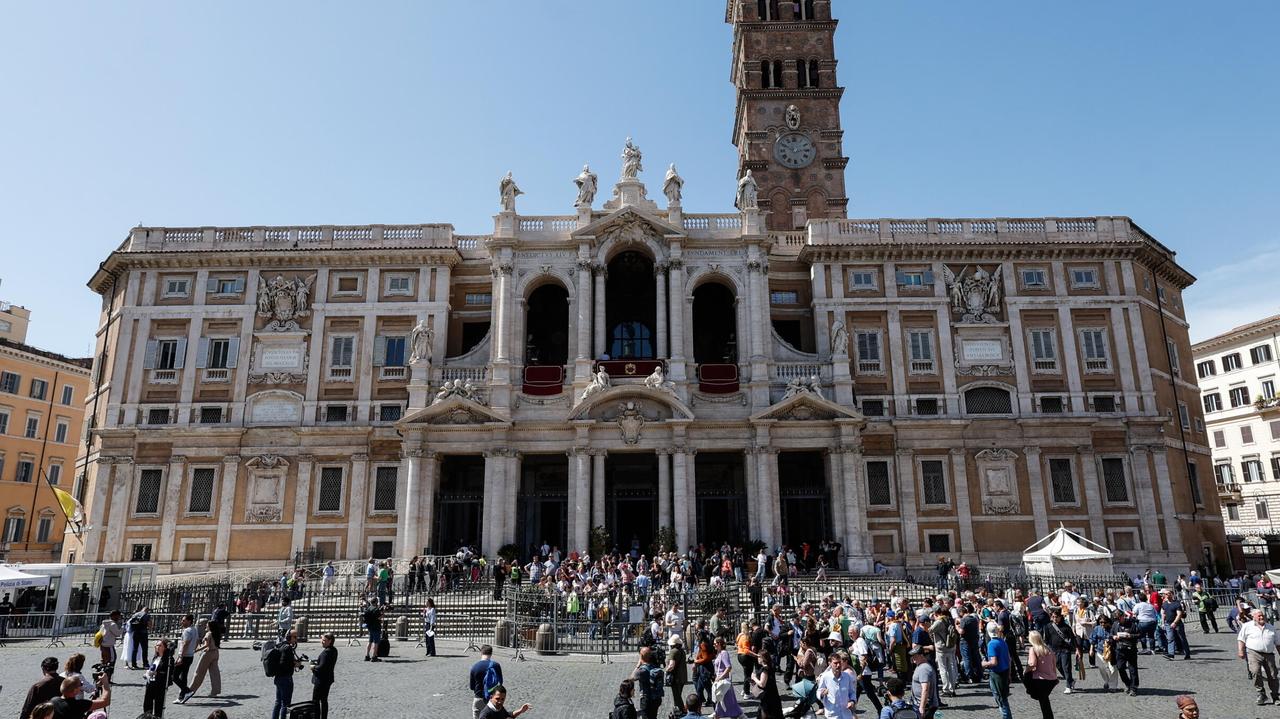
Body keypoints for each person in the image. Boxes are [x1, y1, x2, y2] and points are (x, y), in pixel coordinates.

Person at [1238, 607, 1280, 705]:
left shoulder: (1271, 627)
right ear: (1253, 617)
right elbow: (1241, 639)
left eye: (1262, 616)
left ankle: (1275, 696)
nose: (1262, 617)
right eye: (1259, 616)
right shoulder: (1247, 626)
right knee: (1255, 671)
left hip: (1269, 654)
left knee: (1273, 675)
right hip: (1253, 653)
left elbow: (1278, 643)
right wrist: (1240, 651)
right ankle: (1261, 693)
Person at [183, 618, 222, 701]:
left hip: (208, 654)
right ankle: (215, 691)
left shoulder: (208, 634)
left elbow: (206, 645)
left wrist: (197, 650)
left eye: (207, 625)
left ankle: (191, 690)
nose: (205, 626)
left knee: (199, 672)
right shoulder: (216, 633)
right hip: (215, 653)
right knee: (215, 673)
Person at [1024, 631, 1058, 719]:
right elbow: (1054, 664)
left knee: (1044, 702)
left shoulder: (1033, 649)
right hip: (1051, 679)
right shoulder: (1048, 649)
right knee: (1044, 701)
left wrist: (1025, 670)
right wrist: (1055, 676)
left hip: (1040, 679)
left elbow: (1032, 664)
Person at [982, 624, 1012, 719]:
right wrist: (1009, 674)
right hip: (1005, 672)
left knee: (1001, 700)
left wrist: (984, 664)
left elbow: (994, 662)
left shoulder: (992, 644)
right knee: (1003, 698)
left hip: (997, 674)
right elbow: (1009, 659)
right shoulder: (1002, 641)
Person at [1043, 610, 1078, 693]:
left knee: (1066, 668)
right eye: (1053, 617)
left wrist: (1077, 649)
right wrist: (1047, 649)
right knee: (1058, 667)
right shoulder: (1048, 626)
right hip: (1054, 650)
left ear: (1060, 617)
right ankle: (1070, 680)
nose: (1055, 619)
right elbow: (1047, 639)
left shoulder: (1066, 627)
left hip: (1065, 650)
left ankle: (1068, 686)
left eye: (1056, 617)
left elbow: (1072, 638)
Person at [270, 629, 301, 719]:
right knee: (285, 704)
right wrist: (296, 664)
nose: (296, 639)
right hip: (286, 678)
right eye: (294, 637)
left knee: (278, 702)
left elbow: (283, 660)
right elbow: (284, 664)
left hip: (278, 677)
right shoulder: (288, 648)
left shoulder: (281, 645)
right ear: (288, 637)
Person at [816, 650, 855, 719]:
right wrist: (822, 694)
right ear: (830, 663)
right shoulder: (825, 677)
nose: (838, 665)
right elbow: (818, 692)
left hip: (846, 714)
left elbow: (852, 692)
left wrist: (852, 701)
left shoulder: (847, 676)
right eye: (835, 663)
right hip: (832, 714)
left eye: (839, 662)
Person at [712, 636, 744, 718]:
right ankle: (736, 714)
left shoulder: (724, 653)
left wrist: (720, 677)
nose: (713, 645)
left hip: (723, 682)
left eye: (715, 643)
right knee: (726, 702)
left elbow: (728, 667)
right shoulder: (719, 653)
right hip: (721, 682)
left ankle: (737, 714)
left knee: (726, 702)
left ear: (719, 644)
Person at [470, 645, 504, 719]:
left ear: (481, 652)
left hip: (478, 698)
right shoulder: (496, 665)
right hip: (492, 699)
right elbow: (501, 682)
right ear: (491, 653)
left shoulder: (474, 667)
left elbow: (472, 687)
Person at [142, 639, 174, 718]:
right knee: (147, 704)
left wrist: (157, 673)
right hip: (151, 683)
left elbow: (168, 673)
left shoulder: (169, 659)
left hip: (160, 685)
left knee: (158, 706)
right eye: (157, 645)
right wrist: (147, 673)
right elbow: (152, 668)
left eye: (160, 645)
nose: (157, 647)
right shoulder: (155, 657)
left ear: (165, 648)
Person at [633, 646, 666, 719]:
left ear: (641, 656)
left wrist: (638, 665)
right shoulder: (655, 666)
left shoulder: (642, 670)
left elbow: (632, 678)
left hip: (646, 699)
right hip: (656, 698)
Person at [171, 613, 197, 702]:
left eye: (183, 620)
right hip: (190, 656)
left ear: (189, 621)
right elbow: (197, 641)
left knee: (174, 676)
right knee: (184, 676)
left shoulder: (187, 631)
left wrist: (180, 657)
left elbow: (185, 644)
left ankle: (187, 691)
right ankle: (182, 696)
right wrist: (193, 650)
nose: (181, 622)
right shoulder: (194, 629)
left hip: (184, 656)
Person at [311, 633, 337, 719]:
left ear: (330, 641)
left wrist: (313, 667)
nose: (322, 642)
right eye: (322, 640)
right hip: (328, 679)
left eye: (324, 640)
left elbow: (321, 667)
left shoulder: (326, 652)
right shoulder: (334, 650)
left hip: (321, 680)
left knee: (315, 701)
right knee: (324, 700)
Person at [752, 650, 784, 719]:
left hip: (768, 698)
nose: (757, 658)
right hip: (772, 695)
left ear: (763, 658)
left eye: (759, 657)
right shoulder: (770, 666)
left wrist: (754, 678)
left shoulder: (765, 670)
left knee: (766, 714)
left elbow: (762, 684)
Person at [1162, 589, 1192, 660]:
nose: (1166, 595)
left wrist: (1175, 622)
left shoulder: (1177, 604)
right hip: (1168, 624)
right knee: (1170, 639)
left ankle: (1187, 653)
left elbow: (1179, 614)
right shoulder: (1164, 604)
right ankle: (1171, 655)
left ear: (1172, 594)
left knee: (1182, 639)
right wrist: (1163, 623)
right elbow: (1163, 613)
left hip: (1178, 624)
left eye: (1168, 593)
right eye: (1165, 594)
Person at [909, 646, 939, 719]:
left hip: (925, 706)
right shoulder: (920, 666)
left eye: (915, 656)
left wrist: (922, 707)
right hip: (921, 704)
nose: (913, 658)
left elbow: (925, 689)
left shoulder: (924, 669)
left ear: (921, 655)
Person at [666, 635, 689, 713]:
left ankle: (682, 710)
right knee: (678, 694)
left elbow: (671, 665)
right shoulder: (682, 651)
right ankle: (678, 709)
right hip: (682, 676)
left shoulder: (673, 651)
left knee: (677, 696)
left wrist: (666, 671)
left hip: (676, 677)